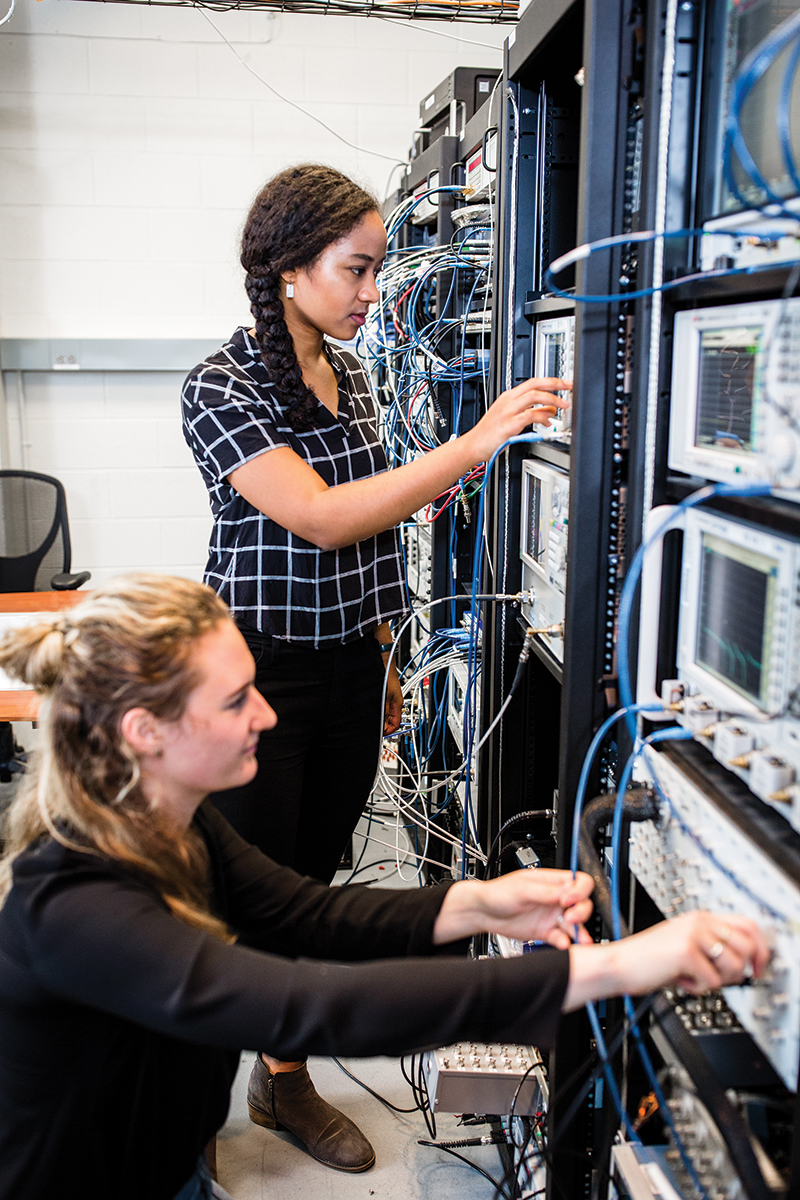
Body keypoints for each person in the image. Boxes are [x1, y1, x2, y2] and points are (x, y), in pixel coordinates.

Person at [0, 575, 769, 1200]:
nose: (265, 713)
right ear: (145, 730)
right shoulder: (76, 904)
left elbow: (306, 913)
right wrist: (614, 968)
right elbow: (315, 1008)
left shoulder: (170, 822)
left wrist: (479, 900)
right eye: (236, 700)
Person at [181, 163, 573, 1169]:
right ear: (285, 272)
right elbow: (320, 519)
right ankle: (242, 1088)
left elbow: (367, 543)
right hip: (255, 680)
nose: (371, 293)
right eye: (354, 271)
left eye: (375, 269)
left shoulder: (347, 377)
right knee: (251, 897)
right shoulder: (218, 387)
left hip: (351, 670)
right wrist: (474, 443)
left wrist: (386, 660)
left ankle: (277, 1070)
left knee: (312, 878)